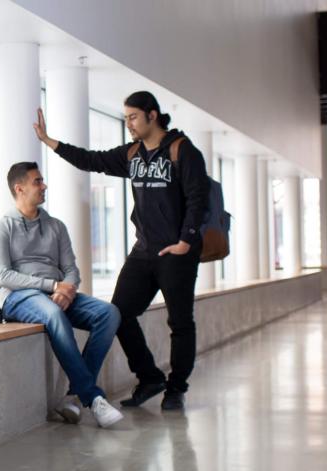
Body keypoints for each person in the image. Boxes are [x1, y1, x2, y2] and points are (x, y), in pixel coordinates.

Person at [32, 91, 210, 411]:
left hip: (177, 252)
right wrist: (49, 141)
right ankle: (150, 377)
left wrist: (186, 241)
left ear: (152, 115)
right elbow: (91, 159)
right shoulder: (132, 154)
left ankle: (176, 388)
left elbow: (199, 199)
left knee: (180, 322)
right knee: (118, 313)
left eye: (133, 117)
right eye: (126, 117)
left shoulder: (182, 150)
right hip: (143, 252)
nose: (128, 123)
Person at [0, 161, 124, 428]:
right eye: (37, 181)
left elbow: (71, 269)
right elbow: (4, 276)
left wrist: (67, 290)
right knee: (53, 315)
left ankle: (73, 396)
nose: (44, 185)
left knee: (109, 313)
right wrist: (52, 286)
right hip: (20, 297)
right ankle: (93, 397)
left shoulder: (56, 226)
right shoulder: (2, 228)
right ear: (19, 188)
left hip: (58, 294)